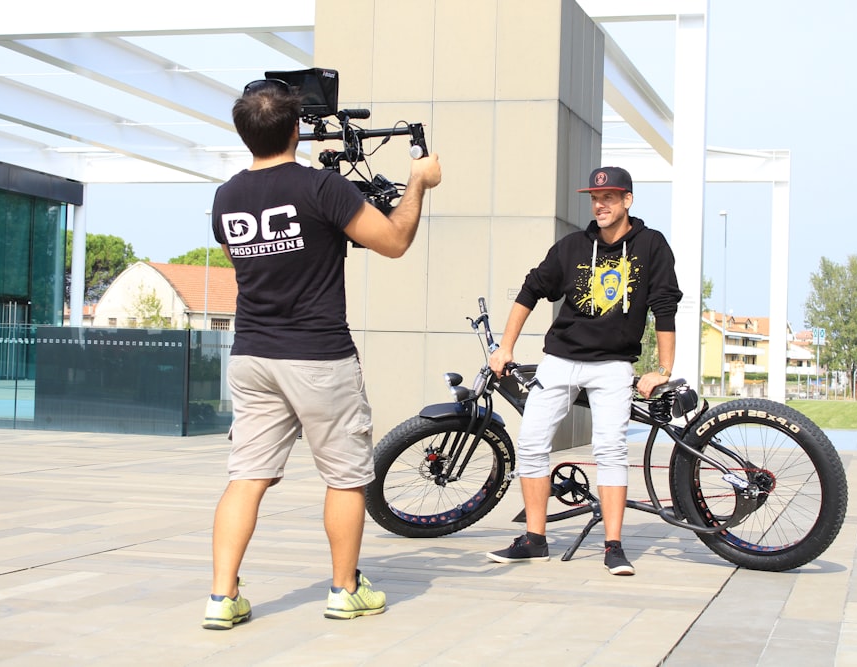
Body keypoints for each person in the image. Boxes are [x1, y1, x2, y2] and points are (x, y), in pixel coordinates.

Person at [202, 78, 441, 629]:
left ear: (245, 135)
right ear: (296, 127)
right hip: (318, 355)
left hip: (253, 355)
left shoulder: (226, 196)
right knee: (345, 477)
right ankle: (343, 589)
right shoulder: (321, 189)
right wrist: (418, 183)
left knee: (247, 477)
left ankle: (221, 597)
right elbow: (394, 240)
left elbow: (249, 256)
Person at [485, 166, 681, 575]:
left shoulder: (651, 246)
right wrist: (506, 347)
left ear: (627, 200)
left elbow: (664, 306)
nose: (600, 204)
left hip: (612, 365)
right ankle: (535, 540)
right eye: (595, 197)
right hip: (561, 360)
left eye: (609, 197)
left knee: (610, 449)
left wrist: (662, 368)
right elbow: (530, 290)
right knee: (533, 443)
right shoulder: (573, 246)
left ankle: (613, 547)